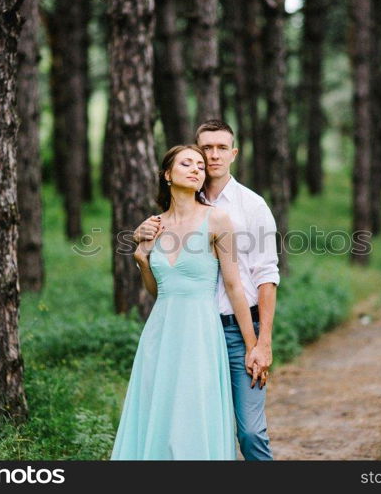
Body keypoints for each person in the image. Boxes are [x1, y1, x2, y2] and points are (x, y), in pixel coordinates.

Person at [134, 120, 279, 460]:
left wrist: (261, 343)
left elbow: (266, 277)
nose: (211, 156)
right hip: (188, 334)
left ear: (233, 153)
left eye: (220, 148)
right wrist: (142, 252)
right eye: (204, 150)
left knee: (250, 432)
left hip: (237, 330)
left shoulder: (251, 206)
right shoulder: (169, 216)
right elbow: (167, 284)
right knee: (188, 429)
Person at [110, 144, 258, 460]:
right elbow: (157, 289)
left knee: (192, 415)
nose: (196, 170)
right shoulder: (153, 225)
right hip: (160, 334)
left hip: (200, 333)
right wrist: (141, 259)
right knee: (159, 414)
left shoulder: (218, 220)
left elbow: (233, 286)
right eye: (186, 164)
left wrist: (252, 346)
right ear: (167, 174)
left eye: (200, 166)